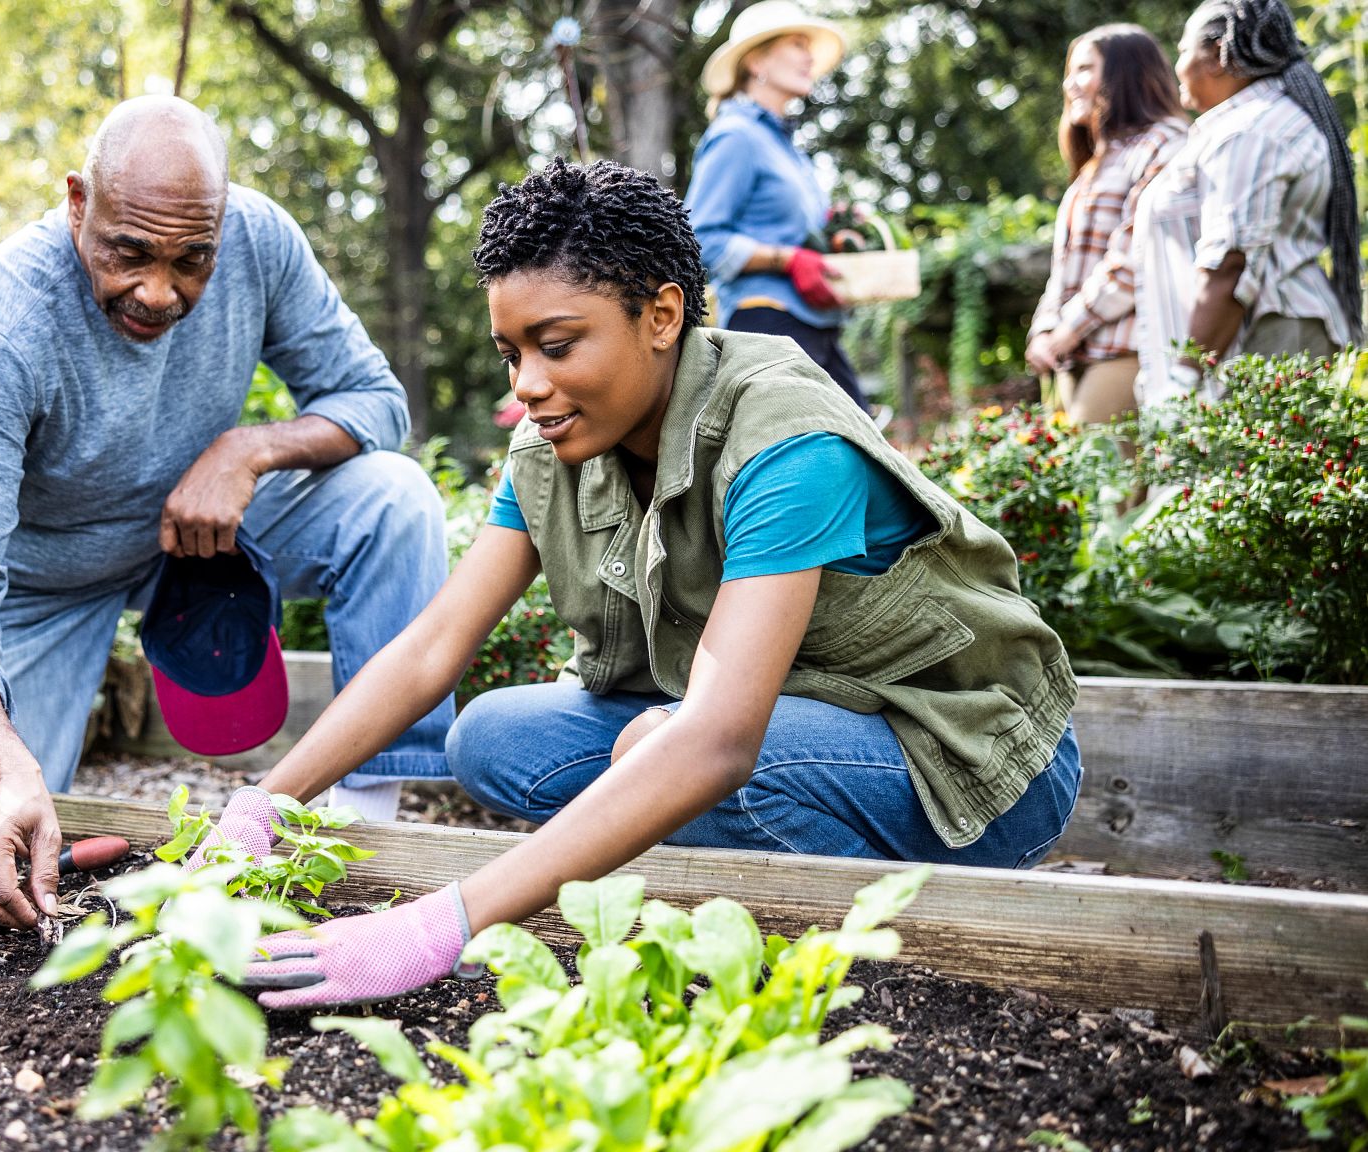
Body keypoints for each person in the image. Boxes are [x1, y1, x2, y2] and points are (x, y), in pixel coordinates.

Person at [203, 159, 1081, 1011]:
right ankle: (718, 877)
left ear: (661, 315)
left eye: (556, 346)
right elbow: (435, 646)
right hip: (789, 721)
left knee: (676, 755)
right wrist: (262, 804)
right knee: (492, 737)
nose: (527, 387)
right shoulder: (553, 448)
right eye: (510, 353)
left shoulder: (784, 437)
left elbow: (716, 743)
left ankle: (881, 942)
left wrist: (443, 923)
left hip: (964, 762)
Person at [0, 95, 453, 936]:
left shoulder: (259, 240)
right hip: (35, 575)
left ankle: (365, 820)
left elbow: (372, 399)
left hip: (190, 534)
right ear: (78, 203)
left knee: (393, 497)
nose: (159, 291)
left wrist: (247, 450)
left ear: (223, 225)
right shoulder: (3, 322)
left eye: (193, 260)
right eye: (130, 253)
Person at [1132, 0, 1363, 408]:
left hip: (1270, 340)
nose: (1177, 63)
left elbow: (1230, 263)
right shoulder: (1265, 118)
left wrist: (1185, 378)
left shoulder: (1250, 132)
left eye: (1184, 50)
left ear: (1218, 55)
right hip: (1273, 336)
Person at [683, 0, 866, 410]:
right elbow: (698, 241)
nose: (809, 56)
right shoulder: (735, 136)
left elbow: (797, 234)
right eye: (797, 44)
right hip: (765, 325)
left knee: (865, 449)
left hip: (814, 326)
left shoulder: (786, 148)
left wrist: (836, 236)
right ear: (756, 61)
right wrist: (787, 260)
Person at [1025, 26, 1189, 426]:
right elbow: (1065, 269)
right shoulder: (1096, 163)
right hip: (1074, 352)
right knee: (1075, 482)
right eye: (1070, 71)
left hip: (1127, 349)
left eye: (1084, 70)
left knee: (1104, 486)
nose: (1070, 84)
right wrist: (1044, 330)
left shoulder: (1164, 145)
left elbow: (1133, 258)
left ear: (1126, 74)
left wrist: (1067, 330)